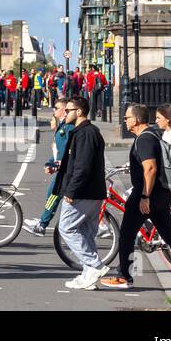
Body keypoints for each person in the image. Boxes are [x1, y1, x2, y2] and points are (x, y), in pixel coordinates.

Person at [100, 104, 171, 292]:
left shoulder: (144, 139)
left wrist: (144, 197)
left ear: (137, 120)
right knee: (168, 234)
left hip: (148, 194)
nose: (125, 121)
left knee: (126, 233)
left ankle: (124, 276)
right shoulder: (152, 136)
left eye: (127, 118)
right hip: (160, 194)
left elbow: (150, 168)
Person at [52, 97, 108, 289]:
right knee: (84, 233)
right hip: (91, 192)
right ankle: (88, 276)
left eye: (68, 110)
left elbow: (83, 167)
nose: (64, 113)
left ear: (80, 112)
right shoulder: (83, 132)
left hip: (83, 192)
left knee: (66, 228)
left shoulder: (86, 133)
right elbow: (78, 162)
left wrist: (72, 190)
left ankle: (95, 265)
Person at [23, 96, 73, 237]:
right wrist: (51, 163)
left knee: (54, 195)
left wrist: (56, 165)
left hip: (67, 171)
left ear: (64, 111)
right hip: (63, 169)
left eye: (56, 108)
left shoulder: (68, 127)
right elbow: (59, 152)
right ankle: (43, 222)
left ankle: (42, 225)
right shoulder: (62, 127)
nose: (53, 111)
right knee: (54, 196)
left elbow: (67, 151)